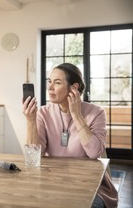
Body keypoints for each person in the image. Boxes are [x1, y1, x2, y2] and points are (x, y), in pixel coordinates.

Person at [23, 63, 118, 208]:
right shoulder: (42, 112)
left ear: (74, 88)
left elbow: (94, 153)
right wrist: (30, 121)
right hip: (53, 181)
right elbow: (34, 155)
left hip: (91, 184)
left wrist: (76, 114)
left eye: (57, 82)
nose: (50, 87)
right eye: (49, 81)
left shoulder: (97, 112)